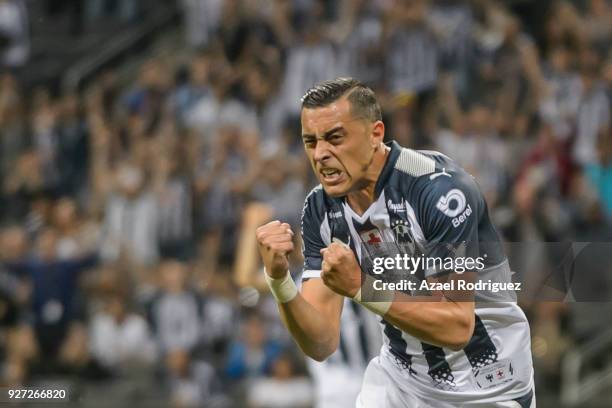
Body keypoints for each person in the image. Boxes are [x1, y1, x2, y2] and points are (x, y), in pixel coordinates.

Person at [256, 78, 535, 407]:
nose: (321, 154)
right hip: (400, 384)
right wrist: (279, 281)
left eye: (335, 138)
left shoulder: (440, 192)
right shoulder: (321, 209)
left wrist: (361, 286)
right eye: (310, 142)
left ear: (375, 134)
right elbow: (321, 344)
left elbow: (458, 326)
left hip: (485, 385)